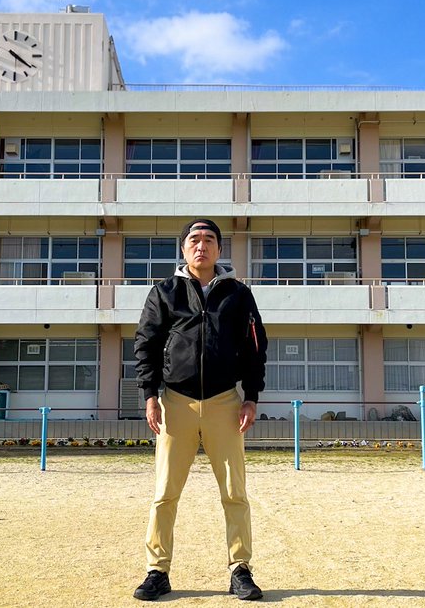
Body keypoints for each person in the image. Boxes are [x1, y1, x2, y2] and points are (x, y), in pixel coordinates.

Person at [132, 218, 268, 602]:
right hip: (175, 402)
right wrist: (149, 394)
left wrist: (251, 396)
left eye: (209, 239)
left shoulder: (238, 294)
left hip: (226, 403)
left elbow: (256, 347)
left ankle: (240, 569)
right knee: (164, 493)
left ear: (219, 250)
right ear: (183, 249)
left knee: (234, 493)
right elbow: (146, 343)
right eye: (194, 239)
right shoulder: (166, 291)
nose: (202, 245)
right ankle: (157, 572)